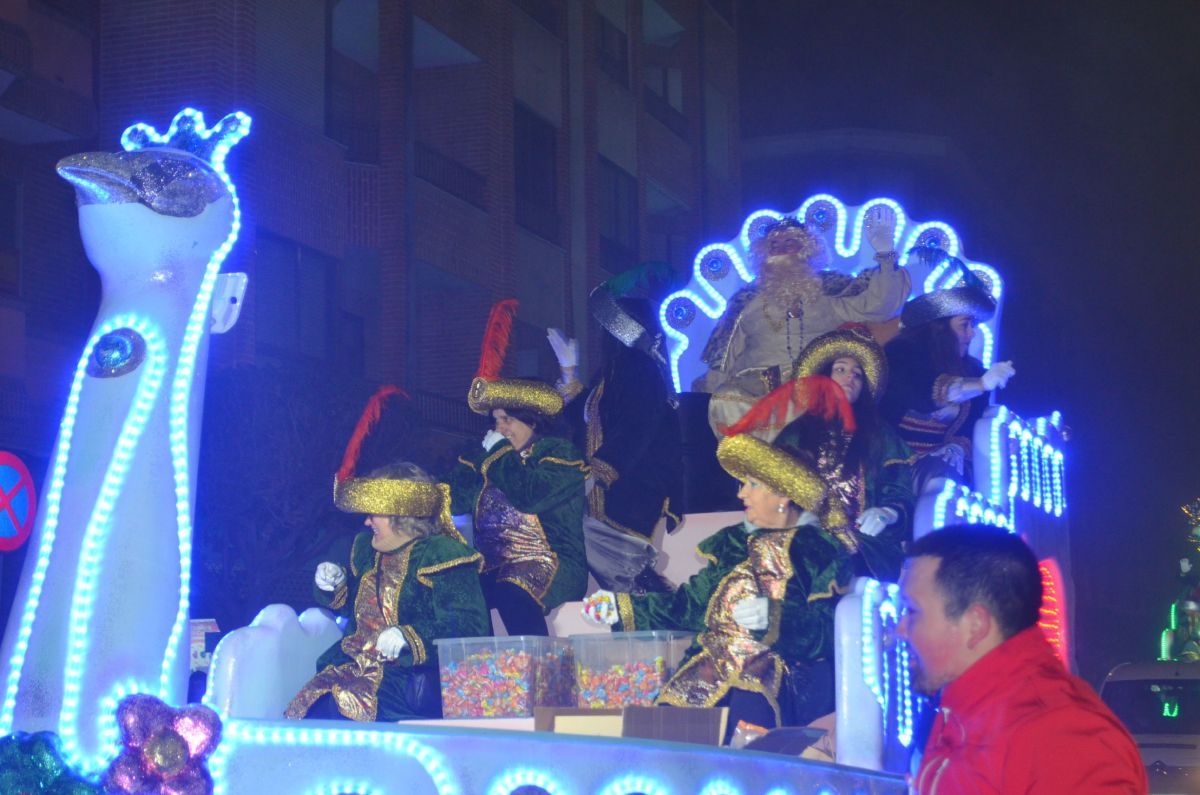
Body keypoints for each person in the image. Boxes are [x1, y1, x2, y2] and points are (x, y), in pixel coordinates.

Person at [581, 433, 853, 737]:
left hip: (777, 673)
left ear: (783, 495)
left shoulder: (816, 549)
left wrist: (774, 617)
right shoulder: (733, 545)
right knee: (662, 734)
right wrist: (619, 608)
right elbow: (688, 607)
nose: (741, 495)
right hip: (711, 666)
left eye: (752, 485)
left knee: (747, 724)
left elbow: (829, 628)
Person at [898, 525, 1148, 793]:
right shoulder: (967, 713)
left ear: (975, 625)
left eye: (912, 611)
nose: (899, 630)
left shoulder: (1061, 737)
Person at [285, 456, 489, 722]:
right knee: (305, 713)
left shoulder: (441, 554)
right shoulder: (367, 551)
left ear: (401, 513)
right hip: (349, 668)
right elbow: (356, 611)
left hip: (405, 681)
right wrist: (334, 583)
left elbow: (469, 627)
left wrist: (409, 636)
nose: (367, 522)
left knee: (332, 716)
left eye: (374, 513)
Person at [701, 207, 910, 435]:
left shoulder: (831, 293)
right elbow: (724, 357)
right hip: (755, 389)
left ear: (807, 250)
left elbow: (880, 305)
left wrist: (886, 255)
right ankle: (763, 461)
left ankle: (789, 457)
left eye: (789, 243)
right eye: (773, 245)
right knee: (724, 400)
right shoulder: (745, 302)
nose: (780, 250)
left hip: (812, 385)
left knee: (814, 405)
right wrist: (707, 394)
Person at [447, 300, 588, 636]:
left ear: (531, 421)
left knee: (513, 591)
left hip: (551, 562)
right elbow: (451, 498)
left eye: (508, 419)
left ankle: (539, 672)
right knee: (458, 598)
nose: (501, 429)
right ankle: (476, 678)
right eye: (495, 420)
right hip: (496, 566)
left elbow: (530, 496)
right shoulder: (491, 457)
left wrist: (496, 455)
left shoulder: (559, 455)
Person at [547, 265, 683, 594]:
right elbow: (587, 417)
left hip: (628, 487)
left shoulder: (638, 368)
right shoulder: (611, 372)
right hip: (603, 491)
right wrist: (569, 374)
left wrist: (603, 469)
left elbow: (638, 425)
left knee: (626, 574)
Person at [775, 325, 915, 581]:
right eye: (840, 369)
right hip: (803, 541)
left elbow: (900, 490)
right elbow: (775, 492)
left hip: (865, 545)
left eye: (857, 375)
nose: (849, 378)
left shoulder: (880, 435)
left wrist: (888, 513)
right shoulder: (794, 435)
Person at [880, 252, 1015, 492]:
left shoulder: (973, 370)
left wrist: (957, 447)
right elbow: (920, 392)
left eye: (973, 326)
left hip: (944, 464)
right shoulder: (900, 353)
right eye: (965, 325)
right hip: (889, 463)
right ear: (939, 327)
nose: (972, 334)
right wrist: (980, 385)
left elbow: (971, 427)